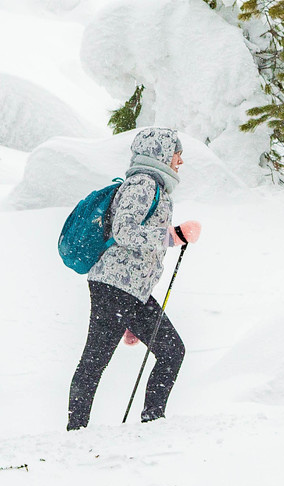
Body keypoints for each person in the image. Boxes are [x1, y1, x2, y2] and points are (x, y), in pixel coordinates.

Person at [68, 126, 202, 428]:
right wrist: (173, 236)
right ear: (161, 154)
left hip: (131, 291)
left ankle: (153, 421)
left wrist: (131, 316)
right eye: (177, 154)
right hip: (114, 286)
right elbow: (124, 231)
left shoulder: (156, 188)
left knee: (171, 351)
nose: (180, 161)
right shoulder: (142, 183)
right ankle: (75, 430)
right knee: (95, 360)